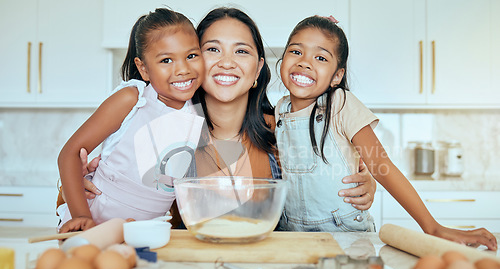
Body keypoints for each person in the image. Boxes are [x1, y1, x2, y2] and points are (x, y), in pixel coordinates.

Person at [59, 8, 378, 232]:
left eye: (241, 52)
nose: (226, 62)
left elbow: (337, 173)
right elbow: (93, 198)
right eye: (212, 49)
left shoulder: (283, 130)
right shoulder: (164, 133)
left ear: (257, 70)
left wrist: (365, 183)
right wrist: (79, 188)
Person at [274, 15, 497, 250]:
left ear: (337, 76)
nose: (304, 62)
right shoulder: (279, 110)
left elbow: (381, 164)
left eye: (320, 57)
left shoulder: (340, 103)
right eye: (296, 52)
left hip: (346, 238)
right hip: (293, 238)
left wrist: (432, 227)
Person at [57, 8, 206, 232]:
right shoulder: (133, 99)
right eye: (166, 60)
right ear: (143, 68)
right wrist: (81, 216)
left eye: (191, 56)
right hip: (96, 218)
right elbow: (69, 153)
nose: (183, 69)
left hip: (144, 232)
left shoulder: (197, 115)